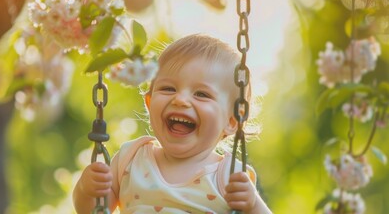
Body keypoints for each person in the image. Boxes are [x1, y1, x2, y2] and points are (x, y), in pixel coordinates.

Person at [73, 34, 272, 214]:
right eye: (168, 88)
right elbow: (95, 210)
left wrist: (253, 204)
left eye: (201, 94)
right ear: (149, 103)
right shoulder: (130, 159)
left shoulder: (228, 176)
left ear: (232, 120)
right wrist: (87, 190)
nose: (181, 100)